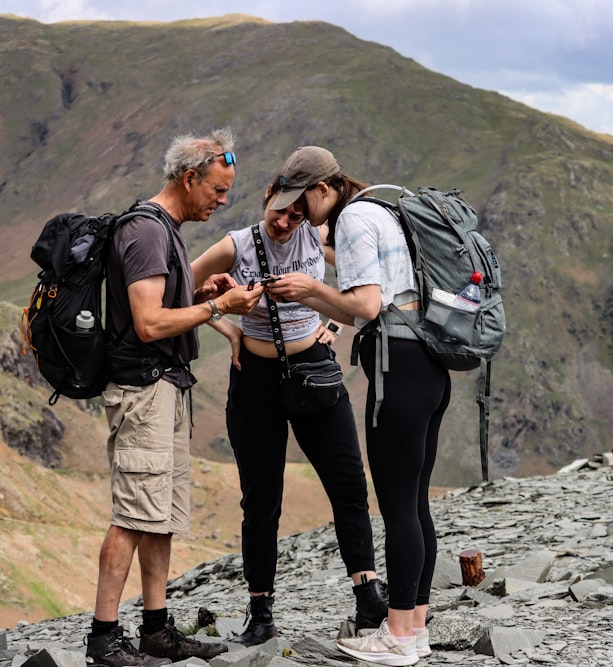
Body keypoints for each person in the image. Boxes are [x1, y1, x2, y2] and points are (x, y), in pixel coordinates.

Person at [85, 128, 265, 667]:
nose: (222, 200)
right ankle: (103, 637)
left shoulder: (165, 228)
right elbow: (147, 322)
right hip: (143, 391)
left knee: (159, 513)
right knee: (133, 513)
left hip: (166, 387)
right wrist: (219, 308)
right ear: (189, 179)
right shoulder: (145, 231)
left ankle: (156, 631)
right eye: (216, 189)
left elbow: (164, 299)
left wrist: (201, 292)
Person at [264, 146, 449, 666]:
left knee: (396, 507)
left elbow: (365, 306)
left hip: (397, 368)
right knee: (415, 504)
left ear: (324, 188)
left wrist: (310, 287)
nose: (300, 213)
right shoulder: (383, 211)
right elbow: (371, 298)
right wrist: (309, 295)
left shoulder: (353, 219)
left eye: (303, 201)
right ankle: (414, 631)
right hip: (427, 364)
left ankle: (395, 637)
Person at [190, 175, 388, 646]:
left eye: (296, 214)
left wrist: (333, 328)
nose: (284, 221)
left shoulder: (320, 236)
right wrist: (228, 325)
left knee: (348, 483)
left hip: (314, 370)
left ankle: (369, 599)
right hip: (254, 379)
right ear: (266, 198)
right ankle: (260, 612)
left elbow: (361, 294)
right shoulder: (234, 245)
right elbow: (182, 288)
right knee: (261, 501)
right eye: (278, 210)